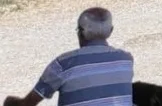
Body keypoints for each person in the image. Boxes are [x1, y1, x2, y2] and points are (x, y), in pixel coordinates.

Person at [5, 7, 133, 106]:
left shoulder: (64, 63)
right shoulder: (126, 60)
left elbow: (29, 103)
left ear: (81, 33)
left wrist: (10, 102)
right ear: (111, 31)